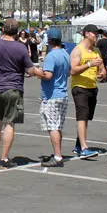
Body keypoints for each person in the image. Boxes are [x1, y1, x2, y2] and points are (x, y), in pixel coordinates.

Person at [0, 19, 41, 168]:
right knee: (9, 124)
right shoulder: (20, 48)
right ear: (17, 32)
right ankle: (4, 159)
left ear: (3, 30)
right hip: (13, 88)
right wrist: (40, 72)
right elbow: (30, 70)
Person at [36, 27, 71, 167]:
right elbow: (68, 72)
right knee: (58, 126)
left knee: (53, 127)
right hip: (62, 93)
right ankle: (58, 152)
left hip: (52, 95)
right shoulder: (65, 54)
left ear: (49, 40)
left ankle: (57, 156)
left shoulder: (51, 56)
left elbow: (48, 75)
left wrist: (37, 72)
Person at [69, 24, 105, 158]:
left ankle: (79, 145)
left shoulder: (96, 51)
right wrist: (89, 64)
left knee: (86, 118)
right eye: (94, 33)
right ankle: (84, 148)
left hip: (92, 87)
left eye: (97, 33)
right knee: (82, 116)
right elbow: (73, 70)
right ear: (87, 34)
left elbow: (102, 69)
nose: (97, 36)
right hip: (80, 87)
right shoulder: (77, 50)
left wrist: (102, 73)